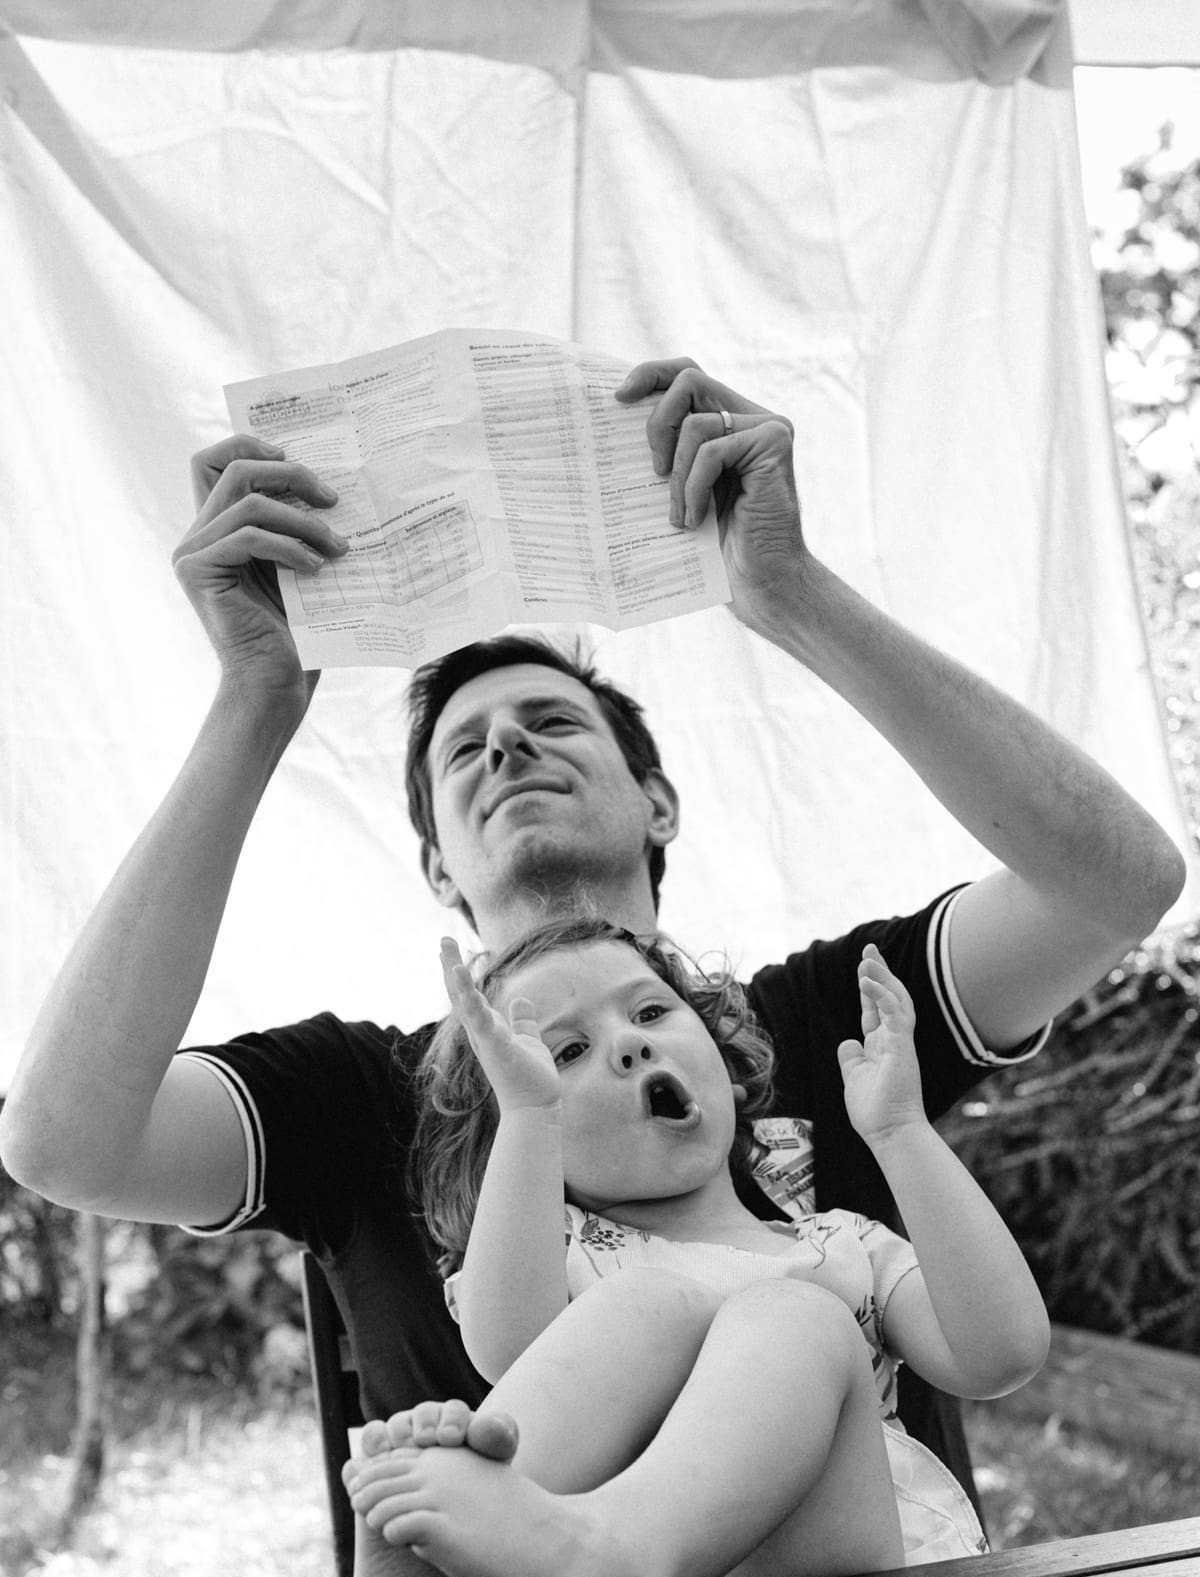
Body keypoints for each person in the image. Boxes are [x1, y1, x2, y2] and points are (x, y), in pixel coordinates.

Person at [0, 359, 1183, 1499]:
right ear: (435, 867)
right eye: (466, 749)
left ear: (656, 801)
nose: (507, 747)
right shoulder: (362, 1089)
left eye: (553, 723)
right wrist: (254, 700)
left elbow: (1116, 882)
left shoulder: (818, 1025)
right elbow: (61, 1143)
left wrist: (791, 594)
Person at [340, 918, 1050, 1577]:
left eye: (649, 1013)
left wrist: (901, 1130)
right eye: (565, 1052)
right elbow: (509, 1348)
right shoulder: (558, 1257)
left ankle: (611, 1568)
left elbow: (1000, 1352)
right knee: (645, 1307)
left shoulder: (836, 1247)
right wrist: (529, 1116)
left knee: (794, 1317)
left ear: (725, 1059)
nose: (630, 1045)